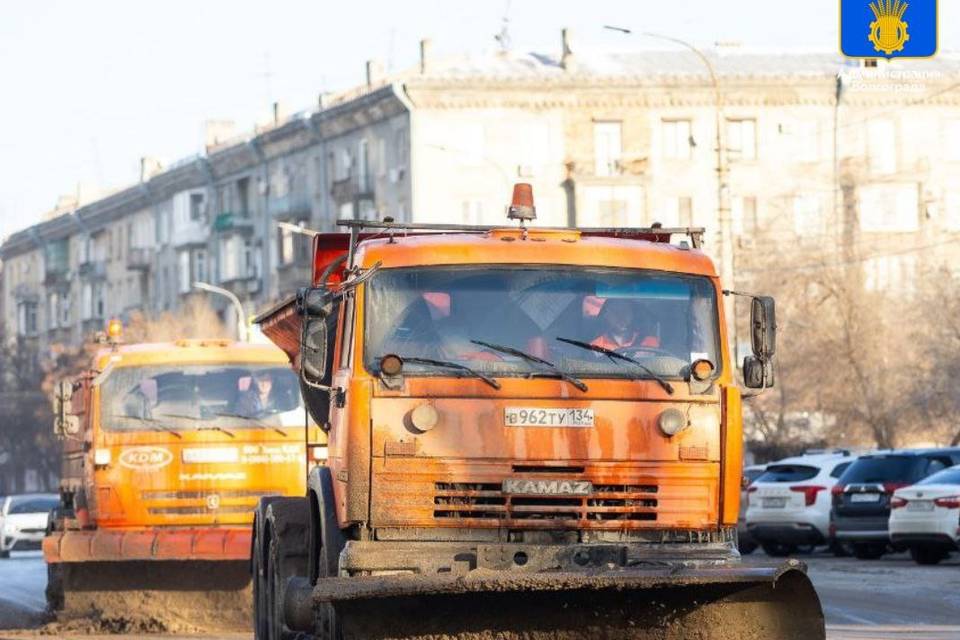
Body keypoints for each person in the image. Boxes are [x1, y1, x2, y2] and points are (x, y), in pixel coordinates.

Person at [591, 299, 660, 351]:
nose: (621, 316)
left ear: (632, 315)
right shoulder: (596, 346)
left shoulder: (651, 343)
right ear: (606, 316)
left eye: (625, 311)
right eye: (615, 312)